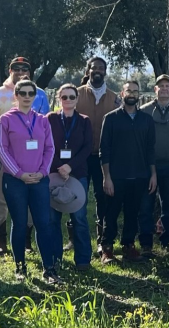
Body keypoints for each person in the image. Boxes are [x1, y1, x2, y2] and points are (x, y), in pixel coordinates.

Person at [0, 79, 62, 284]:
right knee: (20, 222)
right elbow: (1, 149)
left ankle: (49, 268)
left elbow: (50, 148)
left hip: (39, 179)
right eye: (22, 93)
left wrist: (43, 172)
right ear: (16, 95)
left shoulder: (42, 120)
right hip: (15, 180)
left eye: (30, 93)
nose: (26, 96)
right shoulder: (5, 120)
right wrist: (19, 173)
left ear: (35, 96)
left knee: (44, 222)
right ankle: (20, 267)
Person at [0, 57, 44, 256]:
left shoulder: (41, 95)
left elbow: (44, 128)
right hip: (5, 158)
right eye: (16, 68)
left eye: (25, 68)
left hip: (31, 160)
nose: (21, 71)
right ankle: (0, 241)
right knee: (0, 198)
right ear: (9, 70)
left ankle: (26, 241)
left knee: (29, 201)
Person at [100, 80, 156, 264]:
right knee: (111, 213)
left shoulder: (146, 120)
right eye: (128, 91)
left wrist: (153, 174)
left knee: (133, 213)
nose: (132, 94)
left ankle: (128, 246)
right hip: (116, 176)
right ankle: (107, 248)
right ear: (121, 94)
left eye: (135, 91)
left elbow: (150, 149)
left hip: (139, 175)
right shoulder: (111, 118)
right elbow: (104, 150)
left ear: (139, 94)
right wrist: (106, 177)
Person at [73, 57, 121, 254]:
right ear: (88, 70)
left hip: (104, 158)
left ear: (105, 71)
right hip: (80, 155)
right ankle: (74, 238)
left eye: (102, 68)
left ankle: (102, 240)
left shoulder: (114, 98)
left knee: (103, 197)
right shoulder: (76, 94)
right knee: (76, 196)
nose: (98, 71)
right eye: (94, 68)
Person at [139, 75, 169, 257]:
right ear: (155, 89)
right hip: (147, 168)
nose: (165, 89)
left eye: (168, 86)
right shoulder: (144, 112)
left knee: (168, 207)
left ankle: (166, 241)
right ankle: (145, 243)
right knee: (145, 206)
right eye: (161, 86)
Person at [47, 83, 94, 270]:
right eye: (64, 97)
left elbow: (87, 147)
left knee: (79, 218)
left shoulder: (84, 120)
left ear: (77, 99)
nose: (68, 100)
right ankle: (54, 258)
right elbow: (46, 144)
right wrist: (59, 166)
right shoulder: (50, 118)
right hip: (53, 174)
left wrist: (69, 165)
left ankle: (83, 260)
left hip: (77, 174)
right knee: (52, 218)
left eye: (71, 97)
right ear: (59, 99)